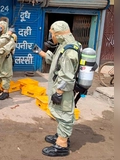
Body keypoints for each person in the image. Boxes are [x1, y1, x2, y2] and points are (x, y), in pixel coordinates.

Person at [32, 21, 80, 157]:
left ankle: (61, 145)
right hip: (59, 88)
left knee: (64, 115)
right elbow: (56, 62)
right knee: (59, 113)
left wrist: (58, 93)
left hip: (63, 90)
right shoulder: (64, 45)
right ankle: (61, 135)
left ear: (59, 34)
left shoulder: (70, 50)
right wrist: (41, 53)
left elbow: (66, 76)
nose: (51, 37)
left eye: (52, 34)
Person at [0, 21, 17, 100]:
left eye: (0, 27)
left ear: (4, 28)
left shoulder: (11, 37)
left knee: (5, 74)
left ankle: (6, 92)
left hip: (6, 58)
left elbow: (6, 49)